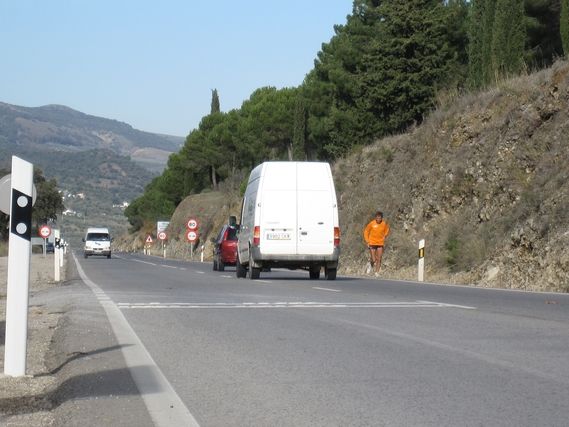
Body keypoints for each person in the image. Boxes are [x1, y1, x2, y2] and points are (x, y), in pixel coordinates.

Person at [363, 211, 390, 275]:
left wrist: (384, 236)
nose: (378, 219)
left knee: (379, 258)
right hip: (372, 242)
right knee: (374, 259)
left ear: (381, 218)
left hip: (380, 243)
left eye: (380, 218)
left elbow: (387, 230)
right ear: (375, 218)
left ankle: (377, 272)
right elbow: (366, 231)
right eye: (377, 218)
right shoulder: (372, 223)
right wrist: (367, 241)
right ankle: (370, 264)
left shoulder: (384, 224)